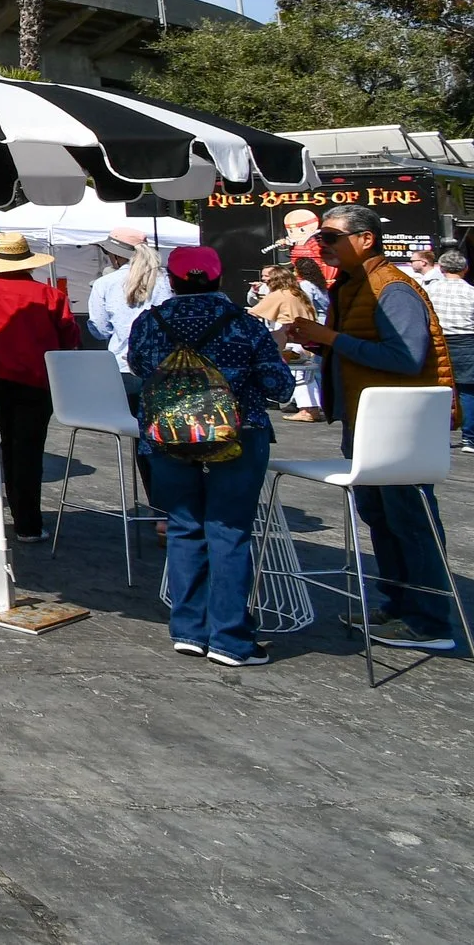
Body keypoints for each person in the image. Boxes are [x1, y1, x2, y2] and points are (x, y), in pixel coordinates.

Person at [282, 204, 460, 650]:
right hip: (369, 419)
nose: (322, 245)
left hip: (399, 425)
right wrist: (320, 347)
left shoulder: (391, 287)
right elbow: (370, 349)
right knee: (381, 517)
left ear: (365, 239)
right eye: (321, 238)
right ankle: (400, 605)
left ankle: (428, 620)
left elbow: (406, 358)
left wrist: (331, 340)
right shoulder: (356, 285)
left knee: (410, 520)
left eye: (330, 237)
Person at [126, 245, 291, 666]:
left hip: (167, 438)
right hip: (236, 436)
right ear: (218, 278)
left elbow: (141, 370)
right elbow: (280, 387)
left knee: (183, 527)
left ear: (175, 281)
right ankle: (230, 640)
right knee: (229, 531)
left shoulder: (150, 322)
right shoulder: (246, 325)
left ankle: (188, 630)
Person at [0, 232, 81, 542]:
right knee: (27, 448)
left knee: (7, 441)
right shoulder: (50, 295)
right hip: (36, 380)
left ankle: (16, 510)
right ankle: (26, 519)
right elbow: (70, 338)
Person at [425, 250, 474, 452]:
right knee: (469, 393)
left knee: (438, 392)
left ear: (441, 268)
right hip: (469, 344)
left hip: (437, 343)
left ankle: (438, 438)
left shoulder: (429, 291)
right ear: (466, 269)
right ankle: (471, 440)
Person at [86, 228, 171, 383]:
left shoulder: (104, 284)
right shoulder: (166, 279)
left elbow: (100, 330)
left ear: (116, 255)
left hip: (122, 366)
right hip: (164, 366)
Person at [249, 264, 325, 422]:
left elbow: (253, 312)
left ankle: (308, 410)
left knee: (298, 376)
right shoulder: (297, 293)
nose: (266, 282)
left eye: (268, 279)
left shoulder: (279, 294)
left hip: (289, 337)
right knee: (306, 375)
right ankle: (312, 408)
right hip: (305, 338)